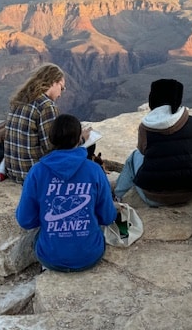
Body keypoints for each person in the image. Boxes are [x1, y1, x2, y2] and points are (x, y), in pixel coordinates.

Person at [16, 114, 117, 272]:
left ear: (51, 139)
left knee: (38, 237)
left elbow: (25, 220)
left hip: (50, 258)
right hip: (90, 255)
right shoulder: (94, 170)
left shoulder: (37, 172)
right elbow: (108, 217)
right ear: (79, 140)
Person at [114, 78, 192, 206]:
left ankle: (117, 196)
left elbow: (142, 151)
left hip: (154, 197)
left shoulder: (145, 127)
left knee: (134, 156)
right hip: (191, 193)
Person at [3, 63, 66, 184]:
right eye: (61, 88)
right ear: (53, 82)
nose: (60, 94)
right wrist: (80, 139)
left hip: (13, 171)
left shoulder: (20, 99)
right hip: (33, 174)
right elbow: (52, 147)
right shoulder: (46, 106)